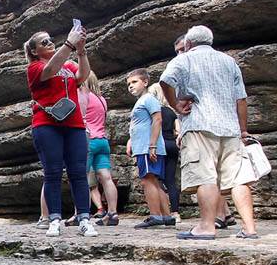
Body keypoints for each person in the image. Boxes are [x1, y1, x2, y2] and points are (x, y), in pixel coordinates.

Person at [160, 25, 258, 239]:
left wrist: (176, 105)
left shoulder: (183, 59)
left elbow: (165, 81)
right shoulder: (229, 61)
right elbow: (241, 98)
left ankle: (206, 226)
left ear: (187, 44)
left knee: (206, 177)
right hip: (230, 128)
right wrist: (243, 130)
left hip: (199, 126)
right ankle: (250, 229)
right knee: (239, 179)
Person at [25, 26, 97, 237]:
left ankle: (84, 218)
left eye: (50, 40)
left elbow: (83, 76)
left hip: (74, 124)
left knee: (78, 172)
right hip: (46, 124)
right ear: (35, 51)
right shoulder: (34, 67)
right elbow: (49, 72)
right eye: (44, 42)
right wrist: (68, 44)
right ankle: (54, 219)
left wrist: (81, 51)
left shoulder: (67, 65)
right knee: (53, 172)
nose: (49, 43)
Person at [125, 69, 173, 228]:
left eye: (134, 82)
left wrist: (152, 145)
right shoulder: (143, 100)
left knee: (147, 180)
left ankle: (155, 216)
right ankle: (166, 216)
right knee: (156, 181)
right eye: (128, 84)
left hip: (147, 147)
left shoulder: (148, 99)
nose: (130, 86)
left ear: (145, 82)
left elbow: (157, 119)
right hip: (144, 146)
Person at [80, 71, 118, 225]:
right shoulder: (102, 99)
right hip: (103, 141)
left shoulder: (84, 97)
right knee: (106, 178)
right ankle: (113, 213)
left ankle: (80, 214)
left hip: (89, 140)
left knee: (81, 177)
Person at [149, 83, 181, 220]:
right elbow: (178, 130)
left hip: (160, 145)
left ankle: (163, 211)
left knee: (156, 179)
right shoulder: (172, 112)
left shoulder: (153, 111)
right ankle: (175, 212)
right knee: (171, 180)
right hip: (172, 145)